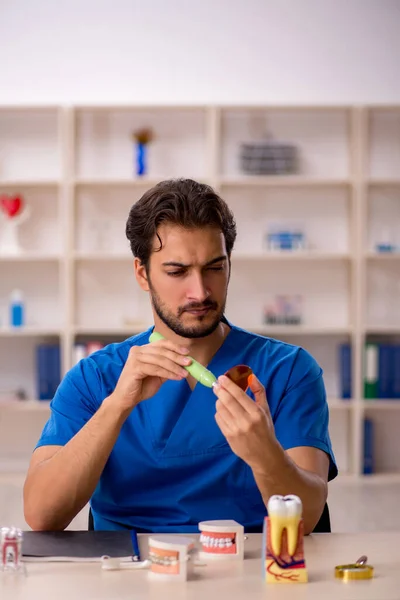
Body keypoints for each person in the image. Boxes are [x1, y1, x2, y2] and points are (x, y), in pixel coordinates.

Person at [23, 178, 337, 534]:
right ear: (143, 273)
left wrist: (265, 452)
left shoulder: (289, 371)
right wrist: (115, 407)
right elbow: (42, 516)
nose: (200, 291)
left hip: (249, 573)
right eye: (177, 272)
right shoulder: (95, 378)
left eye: (214, 268)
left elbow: (308, 517)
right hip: (128, 575)